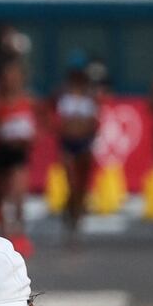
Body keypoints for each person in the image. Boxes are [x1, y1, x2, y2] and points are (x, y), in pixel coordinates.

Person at [0, 59, 38, 257]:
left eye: (15, 76)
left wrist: (25, 136)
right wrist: (4, 127)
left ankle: (20, 235)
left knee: (18, 195)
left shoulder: (28, 100)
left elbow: (37, 127)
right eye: (7, 77)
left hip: (18, 154)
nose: (11, 81)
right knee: (0, 199)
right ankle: (2, 238)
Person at [53, 60, 102, 240]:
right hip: (68, 142)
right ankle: (71, 209)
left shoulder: (89, 98)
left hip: (84, 142)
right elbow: (61, 123)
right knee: (71, 181)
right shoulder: (64, 96)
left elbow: (92, 122)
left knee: (82, 182)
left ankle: (77, 211)